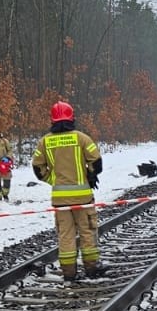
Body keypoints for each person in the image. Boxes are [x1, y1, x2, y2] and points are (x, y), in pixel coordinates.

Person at [33, 100, 105, 280]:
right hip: (83, 197)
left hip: (60, 199)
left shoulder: (44, 142)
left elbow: (37, 169)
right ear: (72, 117)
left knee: (65, 235)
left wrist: (54, 180)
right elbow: (96, 162)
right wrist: (89, 175)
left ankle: (69, 273)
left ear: (52, 119)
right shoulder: (81, 138)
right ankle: (91, 268)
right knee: (87, 231)